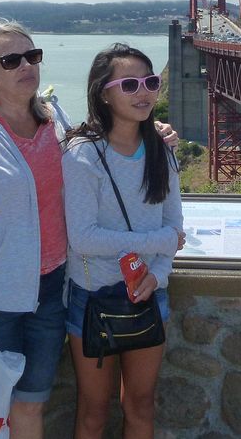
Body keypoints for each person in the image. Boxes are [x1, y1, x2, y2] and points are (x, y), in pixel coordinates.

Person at [0, 19, 178, 439]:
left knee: (30, 402)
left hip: (49, 293)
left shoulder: (55, 123)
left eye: (32, 56)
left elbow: (104, 138)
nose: (26, 66)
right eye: (11, 60)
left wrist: (151, 128)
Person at [63, 43, 185, 439]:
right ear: (104, 93)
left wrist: (159, 274)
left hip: (149, 293)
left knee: (141, 405)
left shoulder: (160, 152)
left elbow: (174, 225)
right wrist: (159, 242)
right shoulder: (83, 155)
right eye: (129, 84)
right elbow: (82, 238)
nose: (144, 92)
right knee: (94, 411)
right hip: (93, 298)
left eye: (150, 82)